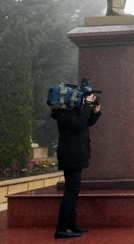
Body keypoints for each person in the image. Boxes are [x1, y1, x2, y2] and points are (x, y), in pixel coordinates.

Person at [53, 94, 102, 239]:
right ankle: (61, 228)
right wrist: (87, 105)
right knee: (71, 192)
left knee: (73, 191)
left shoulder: (71, 113)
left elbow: (85, 123)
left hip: (75, 156)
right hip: (71, 157)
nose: (81, 101)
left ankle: (71, 224)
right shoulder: (64, 114)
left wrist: (95, 111)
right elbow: (79, 124)